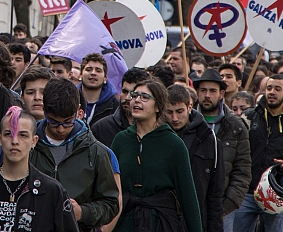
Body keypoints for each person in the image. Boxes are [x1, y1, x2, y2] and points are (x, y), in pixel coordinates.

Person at [111, 79, 202, 232]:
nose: (137, 100)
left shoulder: (174, 144)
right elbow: (109, 188)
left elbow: (188, 197)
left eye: (145, 97)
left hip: (160, 222)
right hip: (125, 222)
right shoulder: (121, 140)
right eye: (134, 95)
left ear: (158, 106)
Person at [29, 78, 120, 232]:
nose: (60, 129)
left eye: (67, 122)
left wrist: (83, 212)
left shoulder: (97, 152)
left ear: (78, 111)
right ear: (44, 111)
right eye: (53, 122)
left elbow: (111, 204)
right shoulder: (28, 146)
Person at [0, 106, 79, 232]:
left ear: (34, 141)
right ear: (0, 139)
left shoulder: (52, 191)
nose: (14, 141)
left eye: (23, 135)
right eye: (8, 134)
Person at [233, 75, 283, 232]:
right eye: (269, 88)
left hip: (276, 192)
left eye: (277, 89)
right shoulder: (249, 116)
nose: (272, 92)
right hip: (246, 191)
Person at [193, 69, 250, 231]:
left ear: (221, 93)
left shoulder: (236, 126)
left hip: (223, 206)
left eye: (212, 91)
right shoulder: (187, 122)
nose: (207, 95)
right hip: (191, 203)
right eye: (203, 90)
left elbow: (242, 170)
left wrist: (228, 205)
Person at [166, 84, 224, 232]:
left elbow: (214, 193)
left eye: (179, 111)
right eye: (169, 112)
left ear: (189, 106)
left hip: (197, 219)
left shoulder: (208, 139)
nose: (175, 118)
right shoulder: (157, 137)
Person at [93, 67, 150, 147]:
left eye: (133, 94)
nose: (127, 98)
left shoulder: (156, 130)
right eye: (124, 91)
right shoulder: (101, 128)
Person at [79, 53, 119, 128]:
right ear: (80, 75)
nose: (93, 73)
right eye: (89, 69)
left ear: (105, 79)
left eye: (98, 70)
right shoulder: (69, 100)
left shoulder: (115, 107)